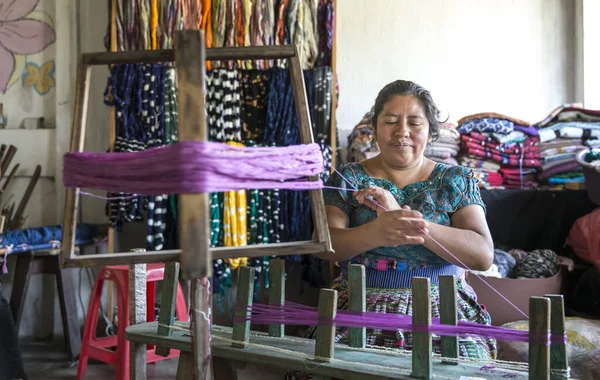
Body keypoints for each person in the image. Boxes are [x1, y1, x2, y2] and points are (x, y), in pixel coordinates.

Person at [316, 80, 496, 360]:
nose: (402, 132)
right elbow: (325, 245)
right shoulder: (348, 178)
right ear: (374, 127)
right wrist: (377, 232)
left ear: (430, 130)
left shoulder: (455, 180)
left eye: (414, 123)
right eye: (390, 121)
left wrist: (410, 223)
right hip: (358, 305)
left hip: (443, 309)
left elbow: (482, 255)